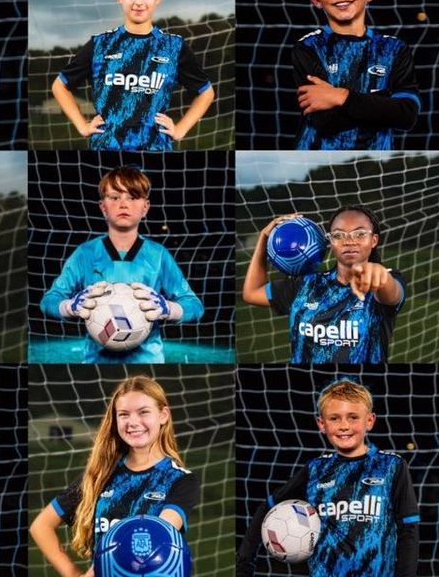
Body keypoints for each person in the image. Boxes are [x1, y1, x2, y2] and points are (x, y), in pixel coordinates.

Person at [235, 380, 417, 577]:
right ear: (321, 424)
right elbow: (267, 507)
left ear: (370, 421)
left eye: (353, 417)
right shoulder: (315, 469)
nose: (344, 426)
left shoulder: (392, 466)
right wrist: (244, 566)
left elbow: (409, 529)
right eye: (334, 418)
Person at [29, 376, 196, 577]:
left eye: (143, 412)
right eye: (124, 414)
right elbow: (41, 526)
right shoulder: (99, 476)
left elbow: (155, 534)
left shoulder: (179, 479)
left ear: (163, 415)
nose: (133, 422)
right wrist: (73, 574)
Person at [40, 168, 204, 364]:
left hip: (148, 362)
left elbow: (195, 305)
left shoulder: (158, 254)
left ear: (145, 207)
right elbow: (49, 300)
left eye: (133, 197)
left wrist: (169, 309)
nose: (124, 204)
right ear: (103, 207)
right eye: (115, 197)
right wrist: (69, 306)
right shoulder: (85, 253)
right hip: (95, 363)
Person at [51, 0, 215, 153]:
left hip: (155, 147)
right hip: (106, 146)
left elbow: (206, 91)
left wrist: (180, 130)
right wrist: (82, 126)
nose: (139, 1)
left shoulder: (173, 46)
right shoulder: (100, 44)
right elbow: (60, 85)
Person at [292, 0, 418, 150]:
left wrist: (340, 96)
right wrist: (384, 102)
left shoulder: (394, 48)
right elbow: (325, 120)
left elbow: (407, 115)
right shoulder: (307, 47)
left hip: (377, 164)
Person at [242, 206, 403, 365]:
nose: (349, 241)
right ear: (330, 241)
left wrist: (382, 278)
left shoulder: (385, 280)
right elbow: (251, 292)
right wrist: (264, 238)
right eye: (339, 235)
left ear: (374, 240)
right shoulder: (305, 284)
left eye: (360, 234)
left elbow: (393, 293)